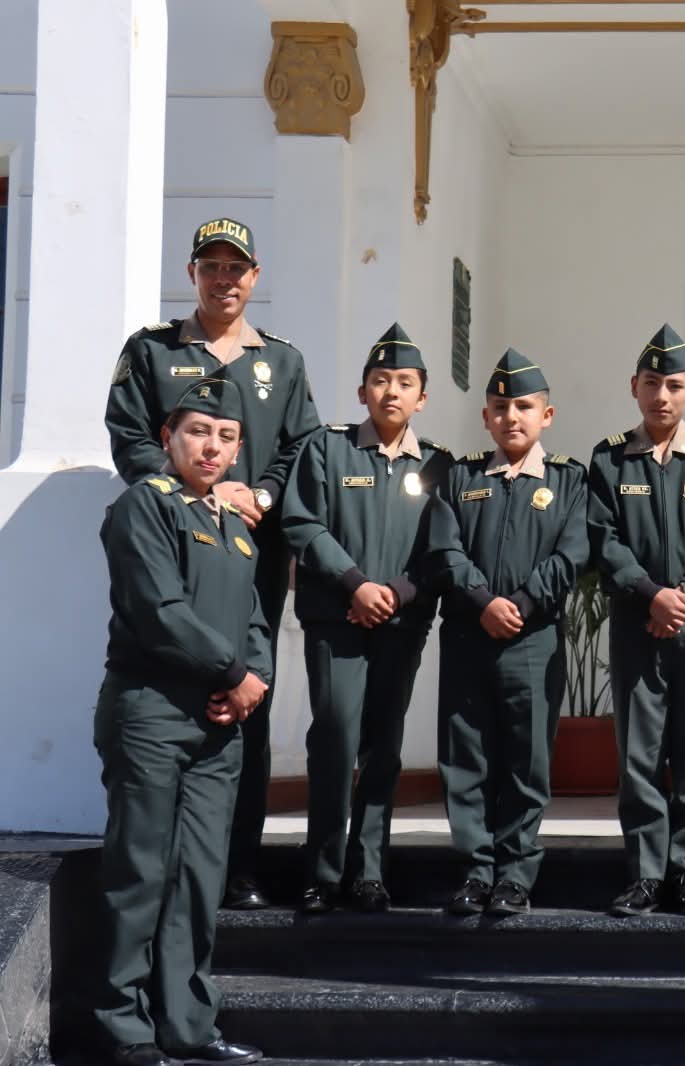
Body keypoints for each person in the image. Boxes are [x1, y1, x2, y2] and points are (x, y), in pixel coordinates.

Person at [104, 218, 319, 910]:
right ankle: (170, 858)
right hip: (173, 545)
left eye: (237, 268)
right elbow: (130, 436)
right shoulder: (152, 351)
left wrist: (254, 493)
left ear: (255, 276)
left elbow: (300, 449)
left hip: (251, 550)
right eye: (211, 266)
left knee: (248, 689)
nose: (224, 279)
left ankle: (238, 862)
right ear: (192, 273)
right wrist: (193, 491)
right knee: (177, 676)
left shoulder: (282, 362)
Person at [94, 378, 270, 1066]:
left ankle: (188, 1026)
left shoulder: (235, 530)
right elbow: (159, 611)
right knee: (139, 871)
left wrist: (252, 686)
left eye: (227, 437)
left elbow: (254, 622)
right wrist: (234, 674)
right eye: (199, 431)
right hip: (152, 711)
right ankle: (124, 1029)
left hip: (218, 723)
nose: (212, 446)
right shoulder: (145, 507)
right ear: (168, 437)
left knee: (198, 878)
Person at [281, 323, 453, 914]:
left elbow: (442, 550)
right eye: (381, 381)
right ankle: (323, 871)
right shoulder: (326, 449)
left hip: (400, 626)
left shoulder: (437, 465)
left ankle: (369, 869)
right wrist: (356, 586)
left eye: (405, 383)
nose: (392, 392)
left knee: (383, 746)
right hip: (338, 622)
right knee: (333, 736)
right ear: (362, 392)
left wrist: (398, 594)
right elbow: (303, 524)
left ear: (422, 397)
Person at [423, 348, 588, 916]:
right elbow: (445, 549)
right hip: (469, 636)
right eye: (500, 407)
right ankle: (475, 869)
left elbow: (572, 555)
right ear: (486, 418)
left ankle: (516, 873)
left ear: (548, 415)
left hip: (532, 639)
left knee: (526, 758)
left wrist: (517, 603)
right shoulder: (461, 477)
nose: (511, 416)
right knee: (466, 756)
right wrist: (483, 602)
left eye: (524, 406)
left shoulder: (569, 480)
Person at [587, 324, 685, 918]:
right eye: (651, 384)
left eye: (673, 385)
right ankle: (647, 872)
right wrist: (651, 595)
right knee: (640, 752)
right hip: (636, 623)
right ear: (634, 387)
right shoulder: (607, 460)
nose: (661, 396)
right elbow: (602, 538)